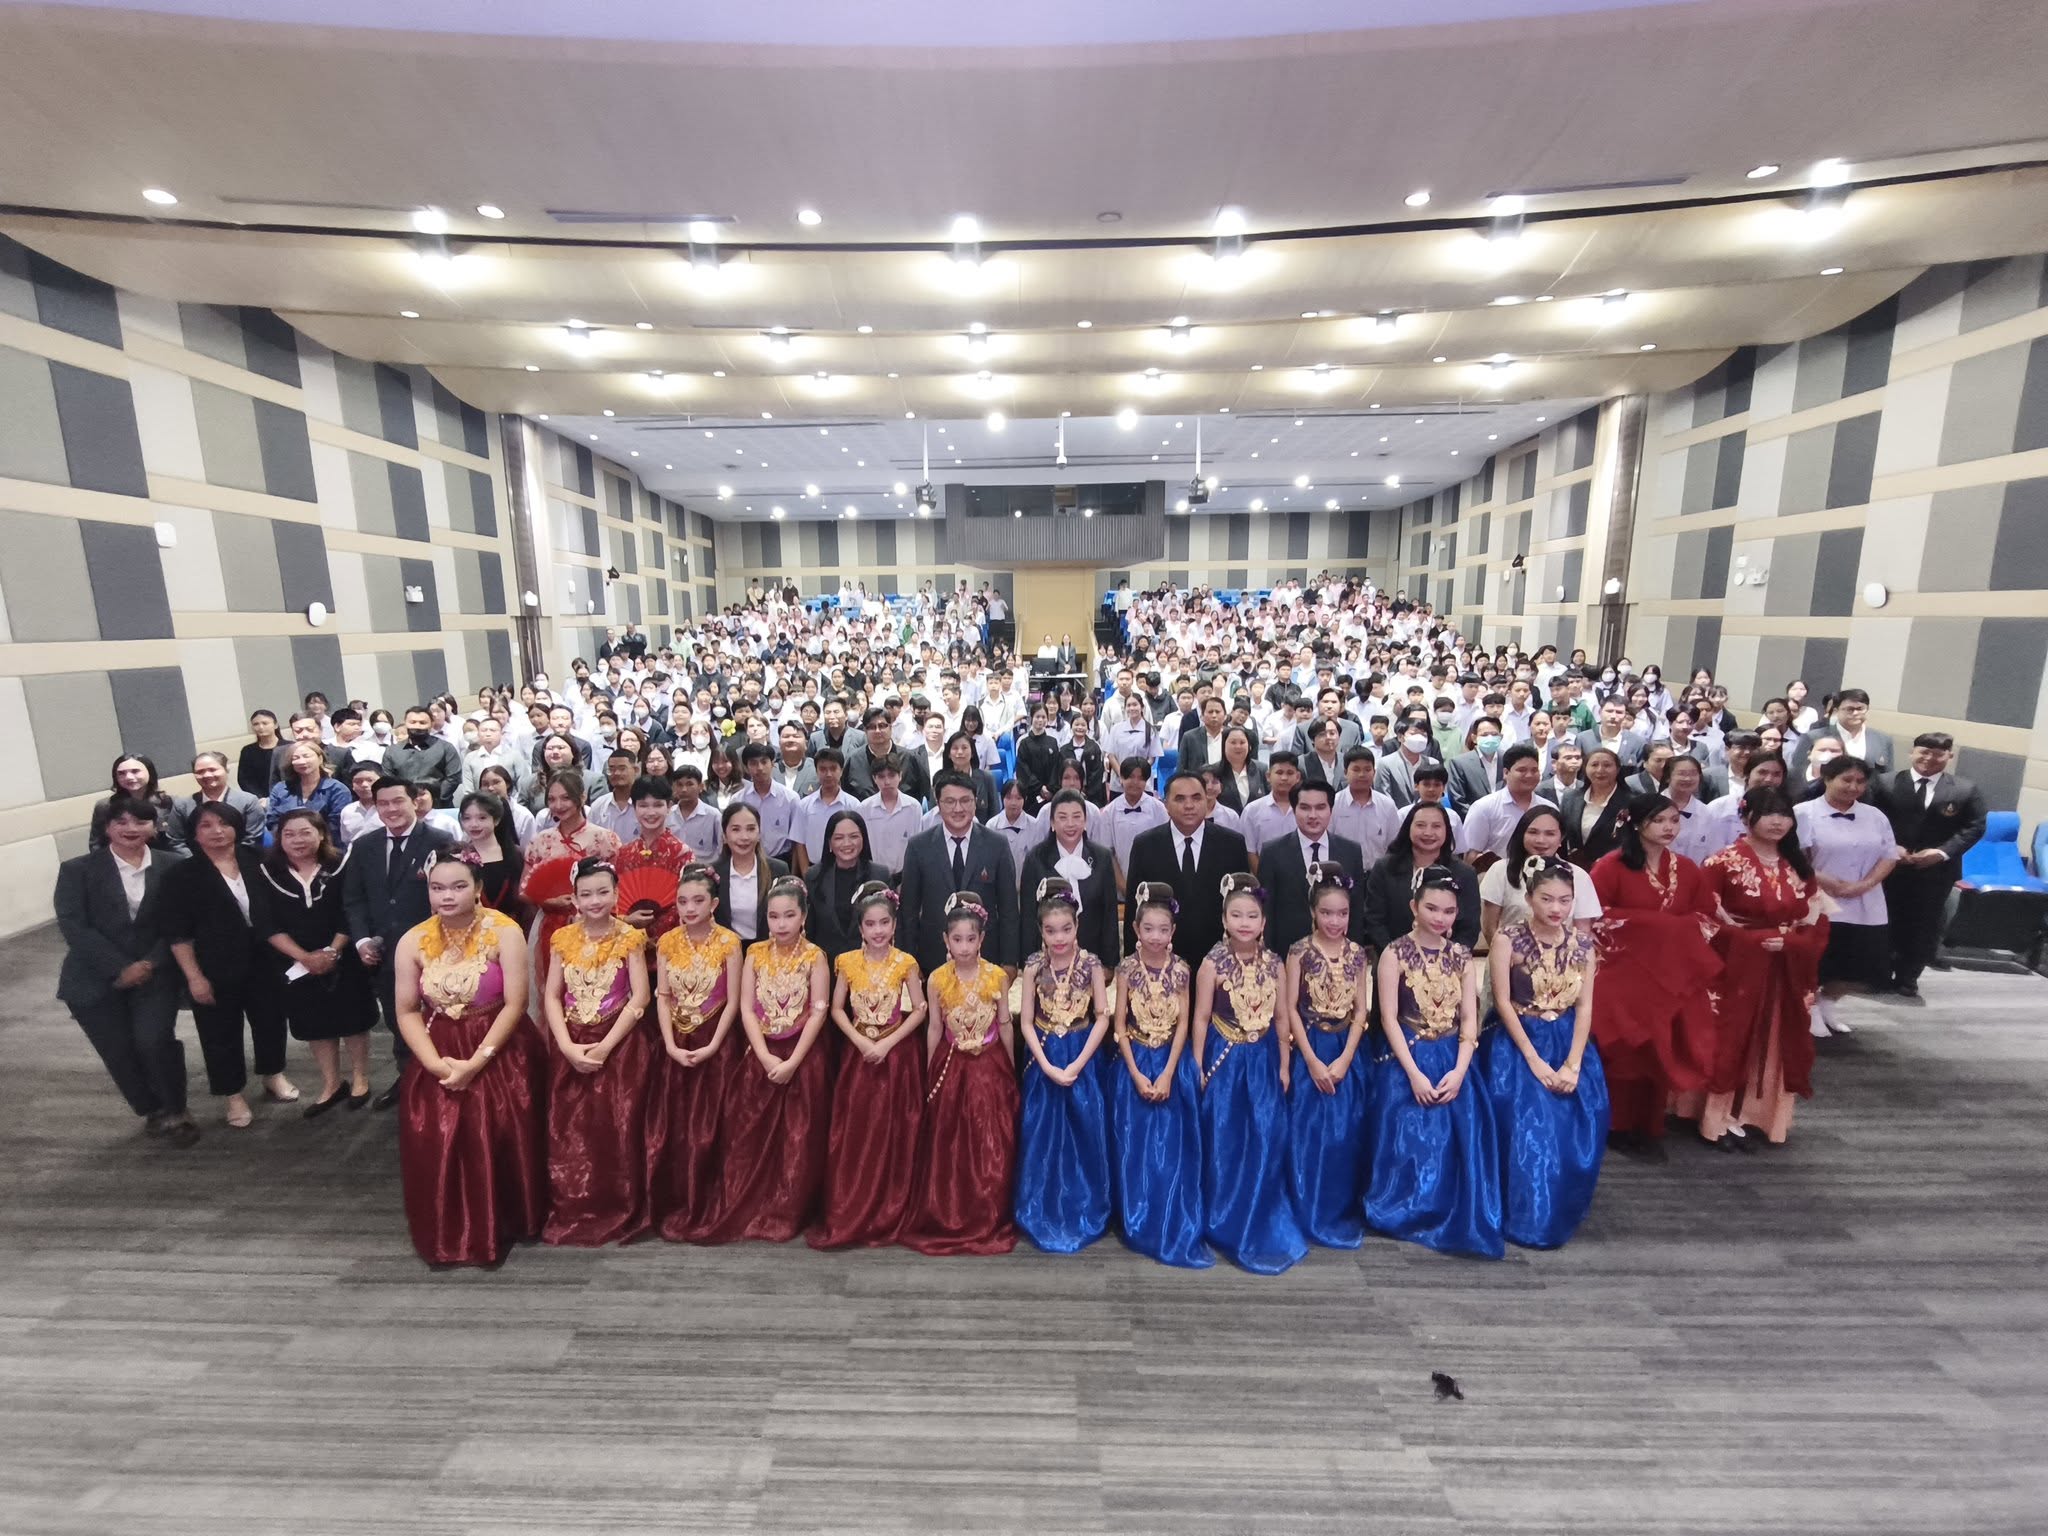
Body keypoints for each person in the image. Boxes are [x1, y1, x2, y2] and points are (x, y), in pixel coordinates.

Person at [390, 856, 546, 1267]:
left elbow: (516, 1003)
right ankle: (451, 1228)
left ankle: (510, 1220)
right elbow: (406, 1010)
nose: (447, 896)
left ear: (477, 888)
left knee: (502, 1130)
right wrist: (435, 1064)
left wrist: (477, 1061)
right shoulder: (412, 940)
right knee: (437, 1136)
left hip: (499, 1043)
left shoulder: (504, 931)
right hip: (439, 1045)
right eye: (437, 888)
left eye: (458, 886)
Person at [1363, 863, 1502, 1259]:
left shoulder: (1460, 956)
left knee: (1460, 1130)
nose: (1440, 918)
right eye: (1432, 908)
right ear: (1414, 906)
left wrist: (1460, 1070)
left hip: (1453, 1057)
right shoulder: (1395, 953)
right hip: (1406, 1057)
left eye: (1449, 911)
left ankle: (1449, 1206)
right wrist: (1413, 1073)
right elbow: (1389, 1017)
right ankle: (1407, 1207)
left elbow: (1470, 1018)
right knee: (1408, 1131)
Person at [1685, 789, 1829, 1149]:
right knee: (1731, 1038)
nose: (1778, 821)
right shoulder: (1721, 862)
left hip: (1784, 969)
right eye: (1768, 813)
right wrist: (1748, 940)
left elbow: (1818, 920)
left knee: (1776, 1039)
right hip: (1737, 968)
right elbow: (1702, 918)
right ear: (1746, 817)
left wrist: (1793, 944)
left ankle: (1760, 1116)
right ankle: (1717, 1119)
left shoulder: (1798, 865)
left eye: (1784, 814)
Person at [54, 796, 198, 1146]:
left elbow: (182, 922)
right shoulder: (77, 870)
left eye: (140, 821)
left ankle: (176, 1109)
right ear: (106, 828)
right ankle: (152, 1109)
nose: (130, 828)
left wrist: (148, 963)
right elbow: (74, 926)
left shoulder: (174, 866)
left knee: (154, 1040)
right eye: (120, 822)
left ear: (155, 826)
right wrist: (119, 967)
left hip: (156, 971)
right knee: (117, 1050)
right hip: (93, 976)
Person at [1481, 858, 1607, 1247]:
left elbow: (1584, 1006)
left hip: (1568, 1039)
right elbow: (1502, 1001)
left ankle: (1559, 1207)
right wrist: (1534, 1060)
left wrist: (1573, 1064)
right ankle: (1521, 1214)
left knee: (1581, 1121)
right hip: (1517, 1039)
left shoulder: (1583, 945)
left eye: (1565, 900)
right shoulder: (1508, 939)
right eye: (1547, 899)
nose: (1556, 908)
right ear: (1530, 898)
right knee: (1526, 1127)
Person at [1193, 872, 1306, 1274]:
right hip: (1224, 1059)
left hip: (1262, 1060)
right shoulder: (1211, 963)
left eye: (1252, 916)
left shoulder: (1275, 964)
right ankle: (1222, 1214)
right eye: (1236, 915)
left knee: (1265, 1133)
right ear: (1224, 919)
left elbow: (1282, 1018)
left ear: (1263, 922)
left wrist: (1285, 1064)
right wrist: (1198, 1065)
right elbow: (1201, 1017)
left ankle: (1260, 1208)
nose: (1244, 923)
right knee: (1224, 1135)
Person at [708, 877, 830, 1242]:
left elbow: (819, 1010)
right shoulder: (756, 954)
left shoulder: (815, 956)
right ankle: (754, 1201)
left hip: (803, 1056)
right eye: (774, 916)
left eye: (789, 915)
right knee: (750, 1134)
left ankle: (790, 1208)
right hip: (761, 1055)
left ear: (803, 916)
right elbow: (746, 1007)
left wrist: (792, 1062)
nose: (781, 924)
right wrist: (763, 1055)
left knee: (798, 1138)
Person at [541, 857, 653, 1246]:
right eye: (586, 894)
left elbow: (640, 997)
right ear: (574, 898)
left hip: (620, 1045)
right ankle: (574, 1203)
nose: (595, 901)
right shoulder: (562, 939)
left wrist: (606, 1046)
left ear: (616, 894)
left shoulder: (630, 937)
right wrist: (566, 1046)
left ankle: (618, 1204)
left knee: (618, 1126)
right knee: (570, 1129)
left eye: (603, 892)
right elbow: (552, 996)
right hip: (571, 1041)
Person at [899, 893, 1019, 1256]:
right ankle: (950, 1207)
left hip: (989, 1066)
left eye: (970, 939)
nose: (964, 947)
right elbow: (935, 1027)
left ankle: (988, 1209)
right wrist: (928, 1070)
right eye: (957, 939)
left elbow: (1005, 1024)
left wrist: (1009, 1068)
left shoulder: (996, 976)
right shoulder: (937, 979)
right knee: (948, 1140)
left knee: (990, 1140)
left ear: (982, 939)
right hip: (951, 1066)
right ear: (945, 940)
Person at [809, 882, 926, 1249]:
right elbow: (836, 1008)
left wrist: (888, 1042)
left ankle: (891, 1203)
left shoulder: (906, 963)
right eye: (870, 924)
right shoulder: (846, 962)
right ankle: (854, 1201)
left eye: (884, 923)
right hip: (859, 1056)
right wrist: (860, 1041)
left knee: (895, 1129)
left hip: (897, 1057)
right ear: (860, 928)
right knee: (858, 1128)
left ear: (894, 925)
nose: (878, 931)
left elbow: (919, 1009)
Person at [161, 802, 292, 1129]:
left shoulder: (261, 860)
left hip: (265, 958)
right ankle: (232, 1094)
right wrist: (194, 977)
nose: (217, 831)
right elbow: (177, 933)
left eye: (224, 823)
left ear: (237, 826)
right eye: (206, 825)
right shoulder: (182, 874)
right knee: (219, 1032)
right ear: (194, 833)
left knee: (271, 1020)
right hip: (213, 963)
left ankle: (272, 1073)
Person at [1108, 883, 1210, 1268]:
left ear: (1173, 931)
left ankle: (1170, 1210)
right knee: (1134, 1146)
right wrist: (1136, 1074)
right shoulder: (1126, 970)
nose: (1155, 936)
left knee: (1171, 1147)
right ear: (1135, 929)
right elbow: (1120, 1025)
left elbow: (1184, 1023)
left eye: (1163, 929)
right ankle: (1136, 1214)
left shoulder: (1182, 970)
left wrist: (1168, 1073)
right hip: (1134, 1063)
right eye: (1148, 928)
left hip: (1171, 1063)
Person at [342, 775, 456, 1110]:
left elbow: (452, 895)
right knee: (398, 1020)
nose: (391, 809)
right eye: (383, 804)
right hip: (384, 954)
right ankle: (408, 1080)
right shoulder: (364, 846)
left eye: (398, 801)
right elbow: (354, 899)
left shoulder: (439, 841)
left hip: (434, 952)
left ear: (415, 801)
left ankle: (441, 1080)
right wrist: (362, 940)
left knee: (439, 1020)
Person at [1014, 878, 1114, 1253]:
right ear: (1040, 930)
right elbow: (1026, 1022)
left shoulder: (1091, 965)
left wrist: (1077, 1063)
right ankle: (1038, 1204)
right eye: (1051, 930)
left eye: (1066, 929)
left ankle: (1086, 1204)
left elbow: (1102, 1016)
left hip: (1082, 1053)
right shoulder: (1033, 967)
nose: (1059, 938)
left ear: (1077, 926)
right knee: (1041, 1133)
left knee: (1085, 1128)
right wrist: (1046, 1066)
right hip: (1043, 1055)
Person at [260, 807, 377, 1115]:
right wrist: (304, 957)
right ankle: (331, 1084)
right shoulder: (267, 871)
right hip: (295, 962)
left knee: (353, 1019)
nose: (297, 840)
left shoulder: (341, 865)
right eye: (289, 834)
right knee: (315, 1024)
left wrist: (333, 952)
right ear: (279, 838)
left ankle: (361, 1079)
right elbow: (266, 922)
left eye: (305, 832)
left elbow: (351, 909)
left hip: (343, 954)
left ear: (322, 834)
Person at [648, 866, 743, 1242]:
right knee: (674, 1122)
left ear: (714, 904)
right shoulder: (667, 941)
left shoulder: (729, 943)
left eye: (698, 901)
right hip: (675, 1040)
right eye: (683, 901)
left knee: (715, 1123)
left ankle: (713, 1195)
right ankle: (675, 1196)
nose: (689, 908)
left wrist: (715, 1044)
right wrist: (670, 1044)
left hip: (717, 1039)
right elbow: (663, 996)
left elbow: (733, 1000)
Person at [1283, 864, 1371, 1249]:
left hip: (1346, 1051)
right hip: (1310, 1048)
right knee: (1307, 1130)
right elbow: (1290, 1008)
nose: (1335, 921)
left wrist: (1346, 1058)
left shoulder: (1357, 954)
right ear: (1313, 912)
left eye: (1342, 913)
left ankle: (1340, 1205)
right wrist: (1311, 1060)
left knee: (1345, 1131)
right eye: (1326, 913)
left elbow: (1361, 1011)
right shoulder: (1299, 952)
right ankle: (1306, 1204)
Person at [1876, 733, 1986, 997]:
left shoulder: (1965, 789)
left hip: (1936, 871)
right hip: (1889, 866)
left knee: (1924, 925)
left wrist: (1942, 853)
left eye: (1938, 754)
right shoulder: (1885, 782)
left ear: (1949, 756)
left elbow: (1974, 826)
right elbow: (1871, 818)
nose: (1929, 758)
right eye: (1923, 752)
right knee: (1885, 919)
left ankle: (1908, 977)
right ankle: (1879, 973)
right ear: (1912, 752)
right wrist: (1890, 847)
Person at [1797, 756, 1898, 1038]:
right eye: (1846, 780)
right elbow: (1795, 858)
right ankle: (1808, 1007)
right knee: (1818, 962)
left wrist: (1865, 884)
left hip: (1866, 901)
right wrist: (1827, 881)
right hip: (1820, 899)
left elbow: (1889, 855)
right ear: (1827, 779)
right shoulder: (1803, 812)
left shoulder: (1875, 816)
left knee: (1863, 967)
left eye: (1860, 781)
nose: (1853, 787)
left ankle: (1827, 1001)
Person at [1121, 772, 1252, 968]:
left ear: (1207, 801)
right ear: (1165, 804)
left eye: (1196, 798)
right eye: (1180, 799)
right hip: (1161, 961)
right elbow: (1134, 908)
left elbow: (1243, 905)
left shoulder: (1232, 844)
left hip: (1220, 961)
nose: (1189, 805)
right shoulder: (1145, 845)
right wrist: (1133, 964)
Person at [899, 772, 1021, 976]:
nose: (958, 809)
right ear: (938, 804)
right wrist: (910, 961)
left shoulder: (997, 845)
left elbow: (1009, 909)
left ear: (975, 803)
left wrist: (1009, 961)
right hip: (933, 960)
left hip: (986, 959)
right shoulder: (918, 847)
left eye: (965, 801)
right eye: (950, 802)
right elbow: (908, 911)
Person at [520, 768, 622, 984]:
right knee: (551, 984)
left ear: (582, 797)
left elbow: (619, 887)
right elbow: (524, 890)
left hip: (597, 923)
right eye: (552, 799)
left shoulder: (604, 839)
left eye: (565, 798)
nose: (558, 805)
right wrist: (546, 901)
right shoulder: (540, 841)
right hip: (549, 924)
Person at [1258, 779, 1367, 957]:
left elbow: (1356, 910)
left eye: (1320, 807)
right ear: (1294, 809)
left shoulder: (1350, 851)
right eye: (1305, 808)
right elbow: (1267, 911)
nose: (1313, 815)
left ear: (1331, 810)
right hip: (1288, 952)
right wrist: (1271, 959)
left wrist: (1353, 954)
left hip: (1338, 955)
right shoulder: (1272, 852)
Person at [1019, 790, 1120, 971]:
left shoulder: (1102, 857)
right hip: (1047, 963)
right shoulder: (1036, 858)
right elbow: (1028, 916)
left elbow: (1109, 913)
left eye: (1077, 816)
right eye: (1063, 817)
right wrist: (1030, 963)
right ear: (1052, 822)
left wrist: (1109, 963)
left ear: (1085, 821)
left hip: (1093, 961)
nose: (1070, 824)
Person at [1362, 803, 1481, 951]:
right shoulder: (1385, 868)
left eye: (1436, 826)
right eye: (1420, 825)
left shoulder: (1465, 873)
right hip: (1393, 957)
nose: (1428, 832)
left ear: (1447, 831)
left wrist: (1446, 958)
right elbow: (1374, 921)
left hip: (1447, 960)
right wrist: (1396, 956)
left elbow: (1469, 929)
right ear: (1408, 828)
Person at [1479, 806, 1601, 947]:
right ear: (1522, 834)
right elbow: (1489, 927)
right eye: (1533, 832)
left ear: (1561, 838)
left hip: (1563, 956)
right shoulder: (1500, 870)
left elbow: (1582, 932)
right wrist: (1504, 954)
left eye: (1550, 834)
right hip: (1509, 954)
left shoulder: (1579, 876)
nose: (1541, 840)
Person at [612, 777, 690, 940]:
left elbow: (689, 901)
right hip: (628, 941)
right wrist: (626, 920)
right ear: (634, 807)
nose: (651, 812)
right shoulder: (623, 854)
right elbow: (614, 900)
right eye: (643, 805)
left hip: (672, 941)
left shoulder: (681, 853)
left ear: (669, 807)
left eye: (658, 805)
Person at [803, 809, 885, 962]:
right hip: (825, 964)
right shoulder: (813, 876)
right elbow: (809, 930)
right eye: (839, 838)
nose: (847, 843)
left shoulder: (880, 875)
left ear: (864, 839)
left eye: (854, 836)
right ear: (829, 842)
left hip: (870, 963)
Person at [711, 801, 789, 945]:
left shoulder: (778, 870)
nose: (744, 837)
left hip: (769, 949)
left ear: (759, 834)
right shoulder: (713, 873)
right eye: (736, 830)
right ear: (724, 836)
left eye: (751, 829)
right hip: (725, 950)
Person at [164, 751, 265, 851]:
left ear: (226, 769)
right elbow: (176, 842)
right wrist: (196, 860)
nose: (207, 775)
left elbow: (252, 841)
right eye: (200, 772)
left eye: (212, 770)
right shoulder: (182, 806)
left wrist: (227, 858)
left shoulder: (248, 802)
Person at [87, 755, 174, 850]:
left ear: (150, 772)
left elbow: (177, 841)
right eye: (121, 773)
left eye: (135, 771)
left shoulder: (169, 802)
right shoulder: (105, 806)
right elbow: (97, 844)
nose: (128, 777)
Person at [456, 791, 524, 914]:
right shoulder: (458, 856)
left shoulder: (516, 854)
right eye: (467, 818)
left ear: (496, 820)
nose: (473, 824)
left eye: (482, 818)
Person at [382, 705, 462, 806]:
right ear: (405, 723)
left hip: (439, 806)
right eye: (413, 722)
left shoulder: (446, 748)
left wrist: (432, 800)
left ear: (432, 724)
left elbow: (453, 778)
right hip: (404, 806)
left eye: (422, 723)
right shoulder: (392, 751)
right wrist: (406, 801)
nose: (417, 726)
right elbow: (388, 780)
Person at [1562, 748, 1628, 868]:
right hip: (1574, 869)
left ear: (1618, 769)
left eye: (1607, 765)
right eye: (1594, 765)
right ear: (1585, 768)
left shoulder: (1631, 801)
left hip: (1614, 868)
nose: (1600, 770)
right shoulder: (1570, 798)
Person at [238, 709, 283, 797]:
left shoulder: (289, 747)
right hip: (260, 799)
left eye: (265, 723)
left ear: (276, 725)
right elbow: (244, 780)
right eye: (256, 724)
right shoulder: (248, 751)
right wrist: (260, 798)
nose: (261, 727)